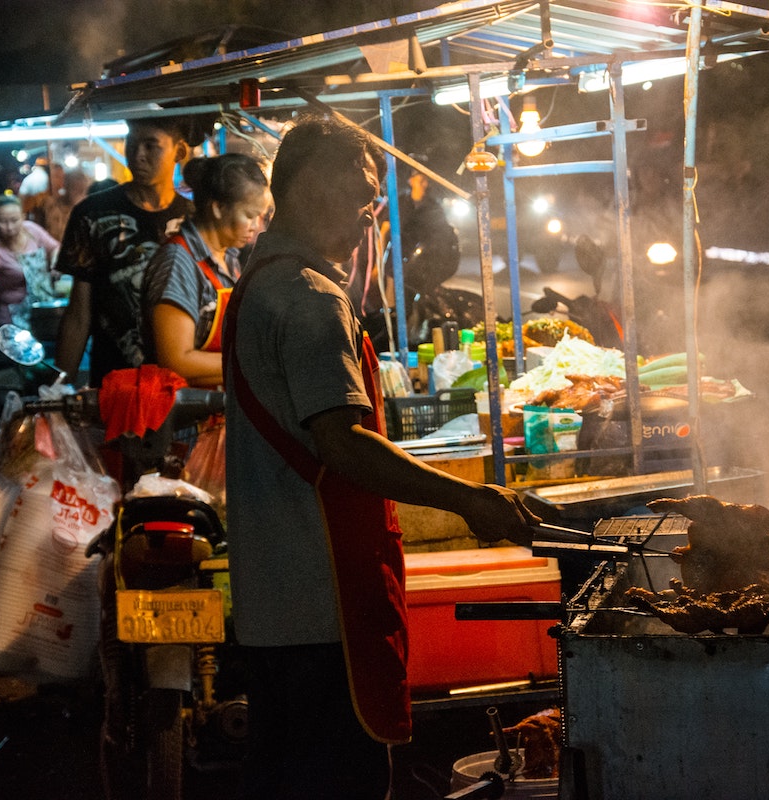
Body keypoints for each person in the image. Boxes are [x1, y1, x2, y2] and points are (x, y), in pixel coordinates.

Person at [222, 113, 539, 799]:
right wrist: (469, 498)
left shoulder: (262, 280)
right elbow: (342, 442)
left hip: (278, 604)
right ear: (308, 191)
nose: (371, 218)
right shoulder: (308, 298)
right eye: (363, 196)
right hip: (321, 601)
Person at [53, 118, 193, 386]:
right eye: (132, 144)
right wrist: (59, 390)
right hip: (116, 386)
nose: (138, 155)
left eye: (151, 146)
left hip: (183, 388)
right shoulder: (92, 215)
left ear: (179, 151)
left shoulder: (194, 219)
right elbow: (79, 313)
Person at [140, 153, 270, 388]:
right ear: (218, 207)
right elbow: (176, 361)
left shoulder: (228, 257)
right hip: (185, 418)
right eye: (250, 215)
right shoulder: (177, 262)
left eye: (260, 216)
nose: (256, 226)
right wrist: (256, 364)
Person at [0, 195, 60, 326]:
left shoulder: (32, 231)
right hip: (13, 320)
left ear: (22, 216)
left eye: (14, 220)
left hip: (43, 311)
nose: (9, 227)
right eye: (3, 221)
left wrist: (56, 263)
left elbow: (55, 247)